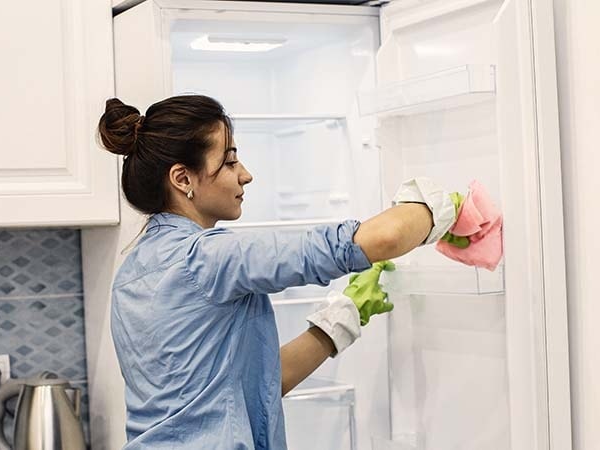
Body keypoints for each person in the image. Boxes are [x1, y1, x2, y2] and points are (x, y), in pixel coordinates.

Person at [97, 95, 458, 449]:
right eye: (229, 161)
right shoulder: (209, 257)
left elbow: (250, 389)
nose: (245, 175)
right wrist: (448, 206)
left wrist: (342, 318)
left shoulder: (131, 274)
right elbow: (383, 238)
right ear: (182, 178)